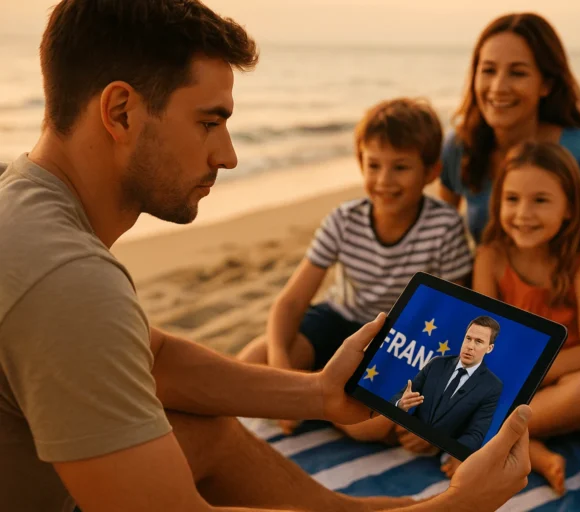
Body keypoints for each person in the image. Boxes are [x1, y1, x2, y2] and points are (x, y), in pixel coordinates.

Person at [0, 1, 533, 511]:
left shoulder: (24, 202)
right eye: (209, 123)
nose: (227, 155)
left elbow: (154, 358)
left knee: (206, 431)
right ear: (120, 112)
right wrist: (461, 506)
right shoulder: (67, 278)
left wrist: (320, 394)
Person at [437, 12, 580, 445]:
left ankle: (483, 433)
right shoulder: (461, 146)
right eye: (487, 70)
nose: (498, 87)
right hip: (497, 329)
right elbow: (433, 241)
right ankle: (503, 430)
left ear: (546, 83)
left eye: (517, 72)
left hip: (572, 333)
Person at [236, 97, 473, 433]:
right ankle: (315, 392)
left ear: (431, 172)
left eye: (400, 167)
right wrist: (282, 372)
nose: (384, 180)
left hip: (392, 340)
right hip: (336, 320)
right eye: (374, 165)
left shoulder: (444, 227)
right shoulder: (344, 219)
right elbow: (289, 303)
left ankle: (324, 400)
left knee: (366, 428)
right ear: (361, 163)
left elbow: (454, 317)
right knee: (251, 362)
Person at [472, 141, 580, 494]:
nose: (523, 214)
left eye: (541, 200)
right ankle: (531, 450)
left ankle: (485, 438)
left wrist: (529, 376)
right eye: (512, 199)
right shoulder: (490, 256)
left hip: (569, 373)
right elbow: (484, 336)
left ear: (569, 208)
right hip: (515, 380)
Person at [390, 316, 503, 453]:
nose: (470, 346)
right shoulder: (437, 364)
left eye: (478, 341)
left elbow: (475, 435)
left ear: (489, 348)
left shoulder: (491, 386)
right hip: (406, 440)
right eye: (468, 338)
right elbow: (398, 398)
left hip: (440, 456)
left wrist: (441, 446)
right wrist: (400, 405)